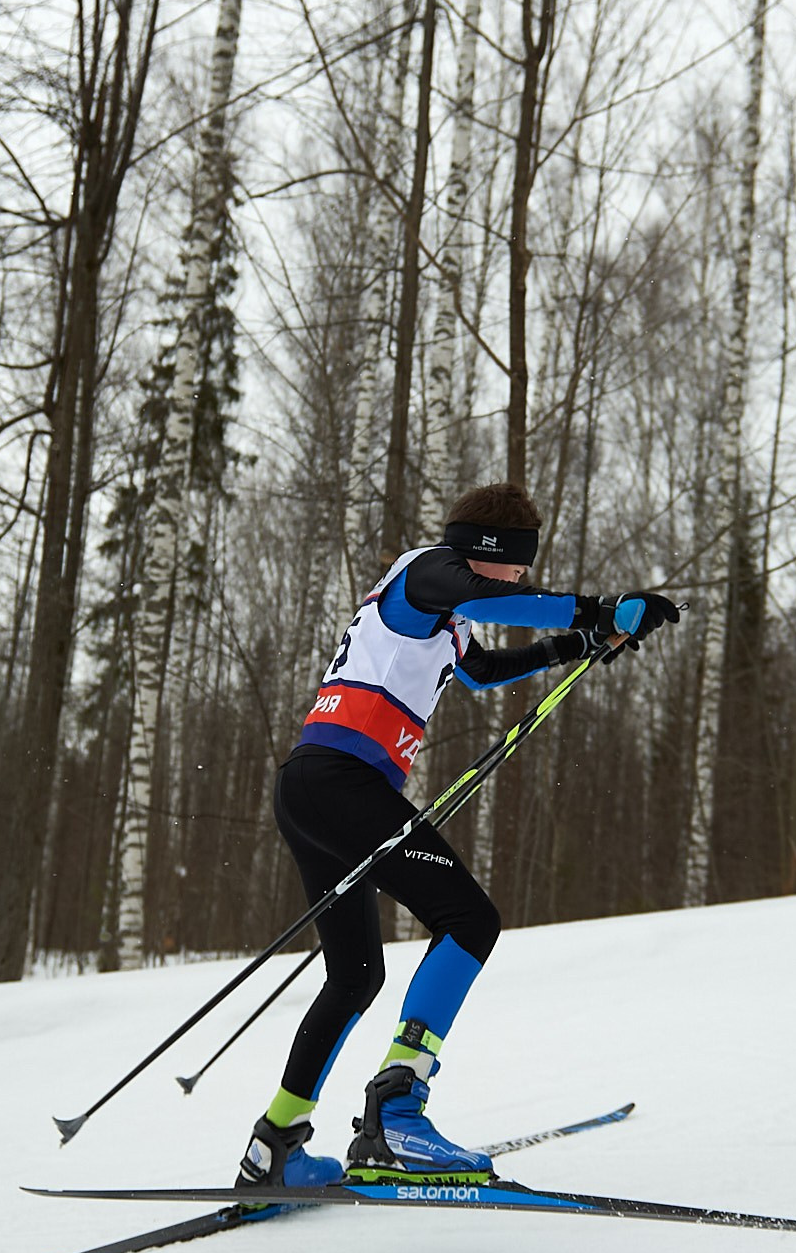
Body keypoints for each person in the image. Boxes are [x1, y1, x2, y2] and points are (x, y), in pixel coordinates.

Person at [236, 482, 679, 1190]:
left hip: (318, 790)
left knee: (355, 977)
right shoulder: (427, 573)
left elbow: (484, 671)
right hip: (340, 786)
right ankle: (398, 1118)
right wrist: (599, 608)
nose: (522, 578)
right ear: (490, 553)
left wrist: (579, 643)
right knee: (469, 919)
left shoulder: (444, 618)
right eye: (518, 566)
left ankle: (275, 1148)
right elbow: (472, 594)